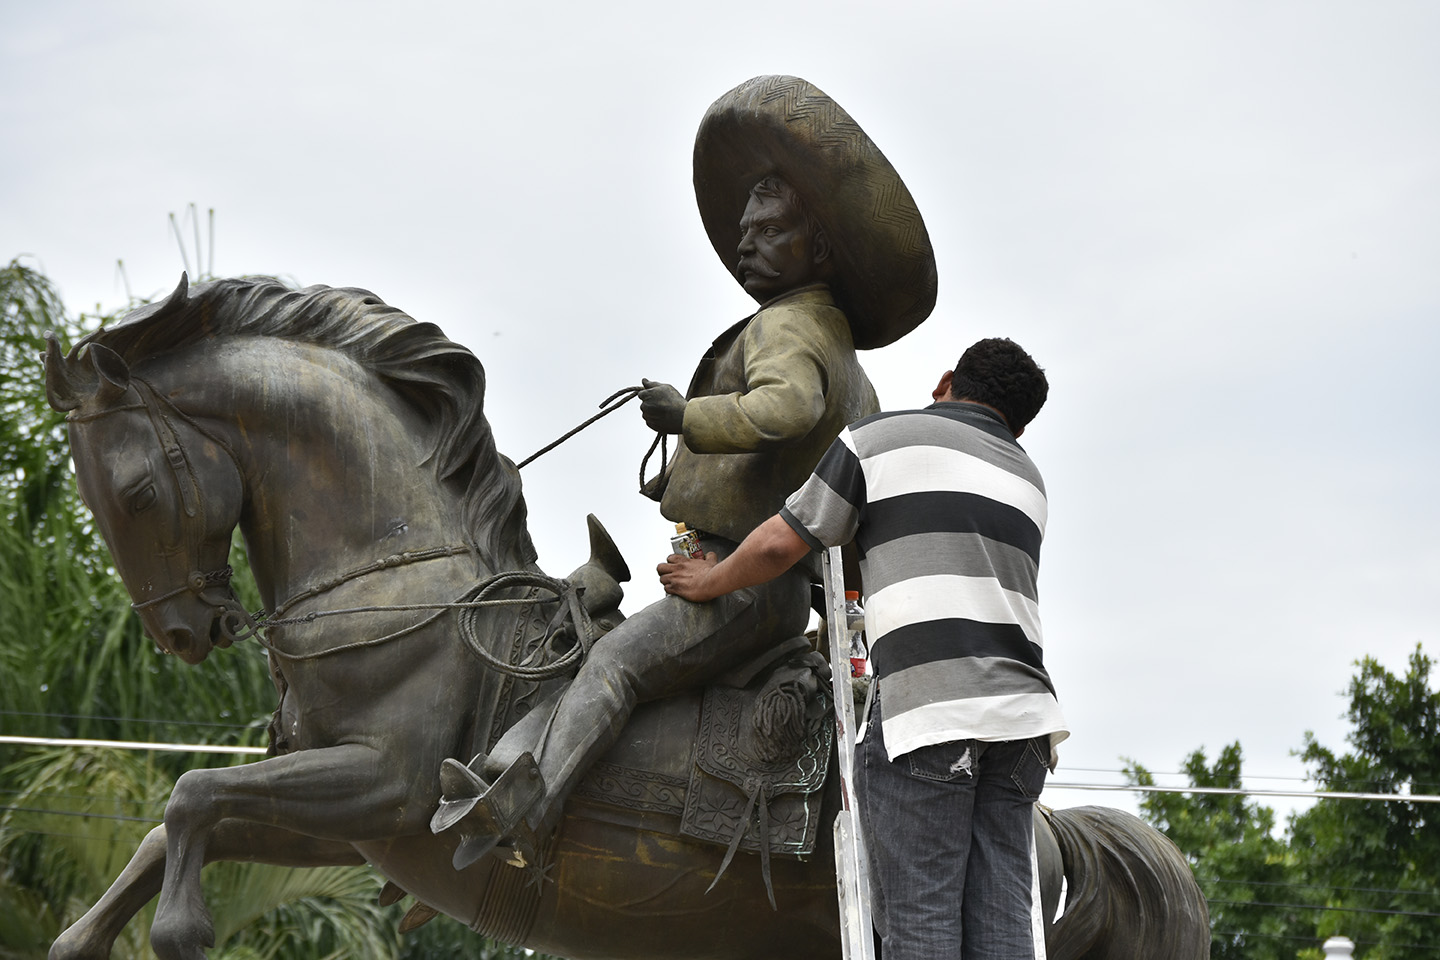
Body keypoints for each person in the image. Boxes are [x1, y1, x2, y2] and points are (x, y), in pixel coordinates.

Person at [431, 76, 937, 871]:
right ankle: (498, 781)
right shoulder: (832, 342)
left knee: (615, 665)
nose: (746, 243)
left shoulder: (791, 327)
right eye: (746, 229)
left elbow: (787, 409)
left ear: (819, 249)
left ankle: (528, 811)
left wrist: (683, 417)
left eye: (769, 229)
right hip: (759, 577)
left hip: (749, 581)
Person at [660, 338, 1069, 960]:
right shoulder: (1027, 479)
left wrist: (708, 578)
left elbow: (780, 545)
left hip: (931, 716)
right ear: (1016, 423)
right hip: (1024, 724)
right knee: (1002, 927)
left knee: (922, 923)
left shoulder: (879, 440)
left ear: (945, 381)